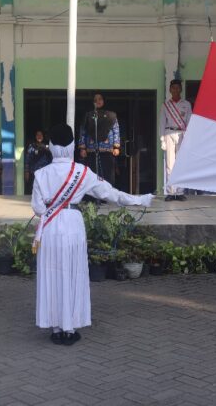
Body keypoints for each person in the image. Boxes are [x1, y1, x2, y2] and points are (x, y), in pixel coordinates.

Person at [31, 123, 153, 346]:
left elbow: (38, 208)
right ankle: (70, 327)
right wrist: (140, 200)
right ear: (71, 146)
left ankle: (56, 327)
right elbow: (111, 194)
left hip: (49, 227)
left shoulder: (40, 174)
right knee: (72, 273)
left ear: (51, 146)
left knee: (52, 273)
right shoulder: (82, 172)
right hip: (72, 223)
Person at [158, 79, 192, 202]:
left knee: (180, 163)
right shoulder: (166, 105)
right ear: (170, 90)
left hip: (182, 133)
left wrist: (189, 138)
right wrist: (162, 139)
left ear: (181, 89)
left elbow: (189, 121)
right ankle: (171, 192)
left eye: (178, 88)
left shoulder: (186, 104)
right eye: (173, 88)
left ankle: (180, 191)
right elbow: (162, 123)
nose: (175, 90)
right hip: (169, 133)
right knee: (169, 164)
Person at [77, 93, 121, 187]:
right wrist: (82, 148)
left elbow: (116, 130)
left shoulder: (111, 115)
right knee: (92, 176)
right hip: (91, 151)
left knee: (107, 176)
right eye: (95, 100)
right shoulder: (88, 115)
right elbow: (83, 131)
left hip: (108, 151)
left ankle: (107, 195)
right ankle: (93, 195)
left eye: (100, 99)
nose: (98, 101)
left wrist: (116, 146)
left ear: (104, 100)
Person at [24, 129, 52, 194]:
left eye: (41, 135)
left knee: (44, 190)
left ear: (43, 136)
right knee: (34, 189)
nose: (39, 136)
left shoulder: (47, 145)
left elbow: (52, 156)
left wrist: (45, 148)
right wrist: (26, 171)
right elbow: (28, 159)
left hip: (45, 173)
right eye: (37, 135)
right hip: (34, 172)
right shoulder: (31, 146)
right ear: (35, 136)